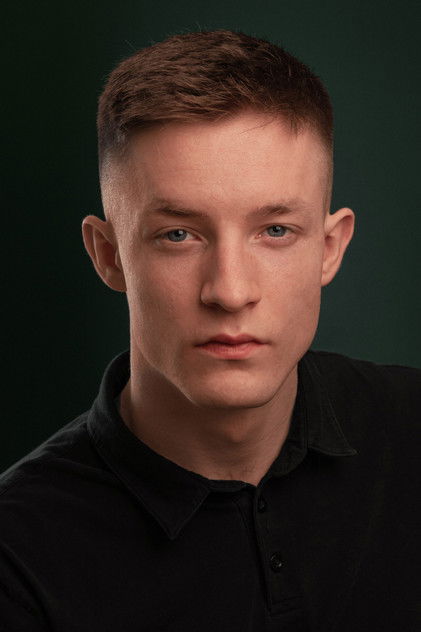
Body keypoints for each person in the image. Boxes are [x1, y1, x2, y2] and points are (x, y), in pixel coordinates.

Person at [0, 29, 419, 632]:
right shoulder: (17, 554)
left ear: (330, 248)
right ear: (109, 255)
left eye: (275, 231)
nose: (229, 291)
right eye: (179, 235)